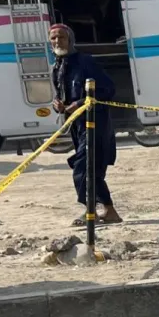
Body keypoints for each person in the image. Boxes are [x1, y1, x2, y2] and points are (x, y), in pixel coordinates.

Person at [49, 23, 122, 226]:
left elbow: (108, 89)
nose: (57, 41)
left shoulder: (85, 62)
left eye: (61, 37)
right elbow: (61, 97)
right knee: (92, 170)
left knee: (83, 168)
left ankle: (90, 212)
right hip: (78, 127)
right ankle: (109, 211)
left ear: (70, 40)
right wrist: (59, 106)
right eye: (53, 38)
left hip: (96, 125)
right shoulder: (57, 68)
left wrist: (80, 103)